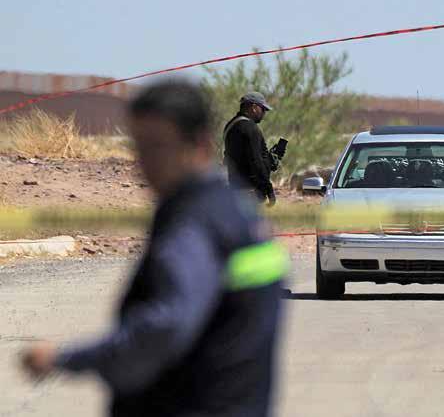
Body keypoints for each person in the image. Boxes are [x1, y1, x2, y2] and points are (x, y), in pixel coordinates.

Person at [21, 80, 287, 417]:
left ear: (199, 144)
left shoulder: (194, 221)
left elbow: (166, 326)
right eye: (139, 148)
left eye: (158, 147)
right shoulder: (239, 216)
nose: (144, 164)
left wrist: (64, 359)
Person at [224, 91, 278, 206]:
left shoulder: (230, 125)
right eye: (263, 109)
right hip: (250, 192)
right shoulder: (250, 128)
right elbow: (256, 161)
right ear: (254, 107)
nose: (264, 114)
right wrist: (269, 189)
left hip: (235, 189)